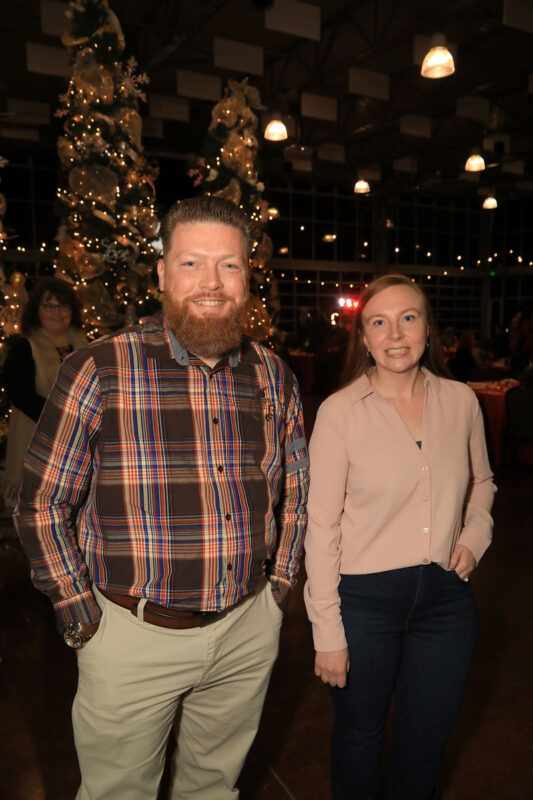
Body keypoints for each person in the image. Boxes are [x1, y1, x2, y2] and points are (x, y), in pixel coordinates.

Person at [15, 196, 309, 800]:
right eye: (191, 263)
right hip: (131, 635)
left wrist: (276, 594)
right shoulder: (99, 369)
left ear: (248, 277)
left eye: (229, 266)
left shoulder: (272, 374)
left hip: (245, 631)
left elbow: (296, 491)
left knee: (213, 788)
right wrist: (80, 612)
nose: (211, 283)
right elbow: (40, 503)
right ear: (161, 274)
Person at [304, 274, 495, 800]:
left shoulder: (460, 401)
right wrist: (327, 631)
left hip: (446, 602)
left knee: (425, 744)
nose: (394, 334)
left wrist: (475, 536)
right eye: (378, 323)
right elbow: (320, 527)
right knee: (360, 738)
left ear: (428, 329)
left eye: (407, 318)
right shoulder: (339, 412)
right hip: (364, 604)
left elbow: (483, 482)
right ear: (363, 338)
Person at [2, 276, 86, 511]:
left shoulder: (86, 347)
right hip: (35, 441)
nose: (57, 312)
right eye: (49, 305)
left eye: (63, 305)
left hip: (76, 447)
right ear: (36, 310)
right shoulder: (24, 347)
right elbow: (21, 395)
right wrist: (60, 419)